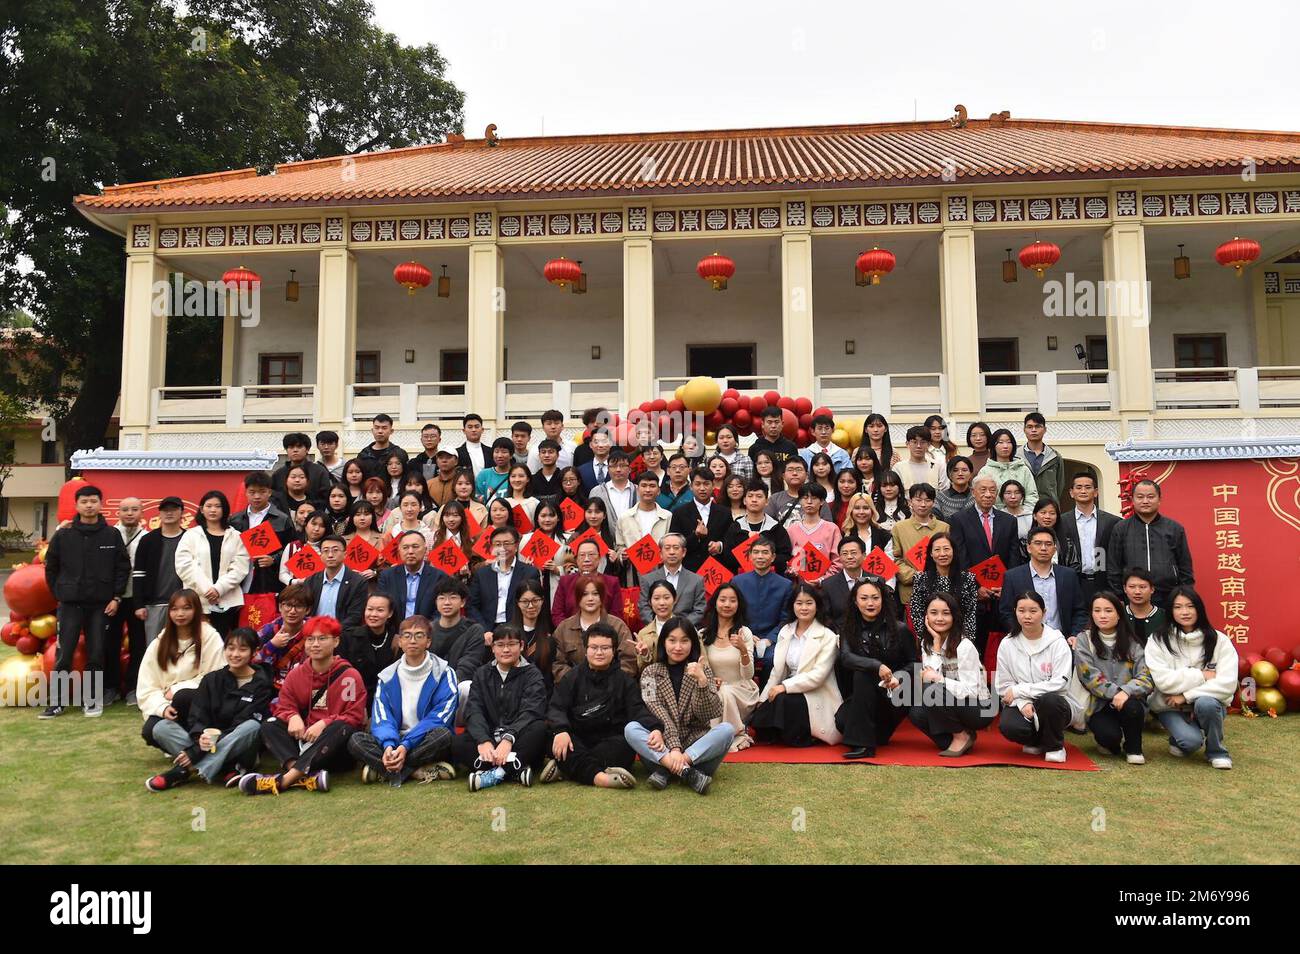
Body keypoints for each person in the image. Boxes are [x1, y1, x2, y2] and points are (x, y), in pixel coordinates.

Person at [240, 616, 367, 794]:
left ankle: (285, 781)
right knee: (269, 725)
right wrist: (292, 716)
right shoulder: (296, 674)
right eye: (310, 639)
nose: (315, 644)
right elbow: (284, 705)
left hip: (335, 750)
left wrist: (324, 723)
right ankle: (304, 776)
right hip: (304, 742)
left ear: (336, 641)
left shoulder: (350, 676)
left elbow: (355, 717)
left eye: (322, 639)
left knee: (341, 726)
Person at [39, 484, 131, 718]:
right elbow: (51, 566)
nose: (89, 505)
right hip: (70, 605)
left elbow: (122, 568)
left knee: (96, 653)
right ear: (77, 505)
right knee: (64, 653)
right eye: (84, 501)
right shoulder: (64, 534)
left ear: (101, 504)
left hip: (100, 606)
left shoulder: (111, 534)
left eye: (93, 501)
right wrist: (59, 593)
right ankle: (57, 702)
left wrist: (116, 597)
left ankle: (91, 699)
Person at [146, 627, 273, 791]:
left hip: (240, 746)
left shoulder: (262, 684)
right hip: (207, 742)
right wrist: (200, 738)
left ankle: (185, 770)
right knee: (160, 728)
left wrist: (196, 752)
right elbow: (198, 715)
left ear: (254, 652)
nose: (235, 654)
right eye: (230, 648)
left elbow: (244, 721)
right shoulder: (212, 679)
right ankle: (225, 767)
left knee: (252, 726)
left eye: (242, 649)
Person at [348, 614, 459, 786]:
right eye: (407, 636)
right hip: (395, 739)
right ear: (400, 642)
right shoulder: (387, 676)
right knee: (355, 740)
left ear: (428, 642)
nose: (412, 640)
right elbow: (381, 718)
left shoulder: (444, 673)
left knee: (443, 736)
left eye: (419, 635)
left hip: (424, 740)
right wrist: (389, 746)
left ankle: (385, 770)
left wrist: (406, 746)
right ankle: (415, 770)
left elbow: (439, 718)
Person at [542, 622, 656, 789]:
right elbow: (556, 707)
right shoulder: (572, 677)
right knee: (555, 739)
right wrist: (561, 730)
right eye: (594, 647)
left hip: (609, 741)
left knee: (625, 747)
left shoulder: (624, 681)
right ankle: (601, 778)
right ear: (586, 650)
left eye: (605, 648)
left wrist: (655, 729)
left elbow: (637, 711)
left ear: (614, 650)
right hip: (577, 737)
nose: (599, 652)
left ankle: (566, 767)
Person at [626, 617, 731, 793]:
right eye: (672, 640)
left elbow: (709, 713)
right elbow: (656, 710)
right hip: (662, 749)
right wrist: (673, 748)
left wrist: (702, 682)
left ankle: (670, 769)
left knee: (727, 729)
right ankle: (686, 773)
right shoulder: (650, 672)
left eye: (684, 641)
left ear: (693, 643)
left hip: (696, 751)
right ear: (663, 642)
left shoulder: (702, 670)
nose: (678, 647)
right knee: (631, 728)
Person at [1145, 586, 1238, 769]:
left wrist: (1186, 696)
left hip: (1207, 704)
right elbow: (1163, 682)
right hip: (1169, 706)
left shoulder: (1220, 640)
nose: (1184, 612)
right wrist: (1202, 675)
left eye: (1190, 606)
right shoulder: (1157, 640)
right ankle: (1180, 737)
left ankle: (1216, 752)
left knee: (1207, 703)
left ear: (1199, 609)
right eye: (1178, 607)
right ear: (1170, 611)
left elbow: (1227, 684)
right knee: (1189, 742)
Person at [136, 589, 227, 774]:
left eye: (186, 608)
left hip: (201, 706)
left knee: (184, 696)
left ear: (196, 610)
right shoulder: (160, 643)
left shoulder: (210, 637)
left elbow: (216, 676)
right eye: (175, 609)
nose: (180, 614)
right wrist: (162, 707)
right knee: (151, 729)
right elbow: (147, 685)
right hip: (171, 706)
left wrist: (178, 688)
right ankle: (207, 758)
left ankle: (191, 757)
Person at [453, 624, 549, 789]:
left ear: (521, 646)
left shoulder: (532, 674)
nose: (506, 650)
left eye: (511, 644)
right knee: (458, 742)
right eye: (500, 645)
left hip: (518, 738)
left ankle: (494, 774)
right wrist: (484, 740)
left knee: (539, 729)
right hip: (491, 737)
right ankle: (515, 770)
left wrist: (508, 738)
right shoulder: (482, 673)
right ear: (492, 648)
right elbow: (474, 709)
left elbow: (532, 711)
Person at [751, 582, 842, 746]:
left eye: (809, 603)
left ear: (817, 605)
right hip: (787, 687)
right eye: (799, 603)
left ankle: (802, 734)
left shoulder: (827, 635)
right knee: (760, 716)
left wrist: (784, 686)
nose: (804, 608)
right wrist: (763, 697)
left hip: (815, 690)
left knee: (784, 700)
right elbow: (777, 671)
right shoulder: (786, 631)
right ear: (792, 606)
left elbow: (818, 676)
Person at [837, 577, 917, 758]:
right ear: (855, 602)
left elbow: (915, 663)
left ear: (883, 600)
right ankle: (867, 739)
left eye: (875, 598)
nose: (870, 603)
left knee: (862, 675)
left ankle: (864, 746)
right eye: (864, 598)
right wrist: (877, 665)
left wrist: (899, 676)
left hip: (892, 696)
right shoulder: (848, 629)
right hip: (862, 697)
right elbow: (846, 658)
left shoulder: (900, 629)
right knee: (841, 722)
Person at [907, 591, 995, 756]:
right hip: (950, 700)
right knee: (916, 713)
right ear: (926, 617)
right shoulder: (928, 642)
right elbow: (929, 676)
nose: (939, 618)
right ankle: (960, 736)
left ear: (954, 616)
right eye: (933, 613)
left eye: (945, 613)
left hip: (978, 706)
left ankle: (960, 735)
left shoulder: (965, 645)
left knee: (933, 689)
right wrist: (936, 643)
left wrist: (940, 679)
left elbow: (971, 690)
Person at [995, 590, 1078, 763]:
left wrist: (1021, 690)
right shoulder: (1007, 643)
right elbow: (1003, 685)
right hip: (1022, 702)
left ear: (1044, 612)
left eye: (1033, 611)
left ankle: (1055, 746)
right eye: (1021, 610)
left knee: (1049, 701)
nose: (1027, 616)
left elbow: (1060, 683)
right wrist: (1023, 701)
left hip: (1057, 703)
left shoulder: (1057, 642)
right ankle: (1034, 740)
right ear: (1015, 612)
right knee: (1008, 725)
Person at [1075, 591, 1153, 764]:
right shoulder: (1084, 640)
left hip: (1130, 701)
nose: (1102, 615)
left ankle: (1134, 749)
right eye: (1097, 610)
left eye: (1108, 611)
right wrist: (1117, 692)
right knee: (1109, 738)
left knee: (1132, 707)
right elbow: (1088, 676)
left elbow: (1146, 676)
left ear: (1119, 614)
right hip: (1098, 705)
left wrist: (1126, 692)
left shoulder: (1133, 642)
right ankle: (1109, 742)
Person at [948, 474, 1021, 655]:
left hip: (1001, 594)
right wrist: (975, 587)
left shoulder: (1009, 520)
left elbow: (1013, 557)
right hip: (973, 596)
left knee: (1003, 646)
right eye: (983, 490)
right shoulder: (959, 520)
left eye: (992, 490)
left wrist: (1006, 586)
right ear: (973, 492)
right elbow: (960, 558)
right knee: (974, 646)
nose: (988, 495)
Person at [1106, 479, 1194, 607]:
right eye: (1140, 497)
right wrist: (1119, 595)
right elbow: (1113, 567)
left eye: (1150, 497)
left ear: (1159, 499)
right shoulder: (1121, 528)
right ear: (1132, 500)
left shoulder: (1174, 528)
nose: (1145, 501)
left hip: (1168, 596)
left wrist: (1185, 595)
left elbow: (1185, 567)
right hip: (1132, 598)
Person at [175, 490, 249, 637]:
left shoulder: (236, 536)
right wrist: (207, 589)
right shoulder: (191, 535)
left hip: (227, 600)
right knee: (197, 643)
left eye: (217, 506)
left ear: (225, 509)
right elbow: (184, 565)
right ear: (202, 509)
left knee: (223, 644)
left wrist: (219, 589)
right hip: (198, 599)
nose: (213, 510)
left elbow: (240, 568)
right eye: (209, 506)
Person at [99, 496, 147, 707]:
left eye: (134, 509)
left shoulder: (147, 537)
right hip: (112, 600)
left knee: (139, 645)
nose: (130, 513)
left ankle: (133, 688)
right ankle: (110, 687)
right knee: (110, 644)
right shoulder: (108, 535)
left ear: (141, 512)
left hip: (137, 599)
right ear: (117, 512)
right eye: (125, 509)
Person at [700, 583, 760, 751]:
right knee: (721, 692)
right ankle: (722, 735)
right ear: (715, 603)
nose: (727, 605)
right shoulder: (703, 634)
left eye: (732, 601)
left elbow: (748, 675)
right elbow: (701, 669)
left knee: (725, 692)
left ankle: (733, 735)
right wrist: (711, 681)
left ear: (738, 605)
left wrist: (742, 649)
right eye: (723, 600)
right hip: (714, 689)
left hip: (742, 690)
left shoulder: (744, 633)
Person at [999, 527, 1088, 637]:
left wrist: (1074, 635)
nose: (1043, 548)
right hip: (1026, 640)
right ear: (1028, 548)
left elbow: (1080, 611)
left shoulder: (1068, 575)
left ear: (1055, 549)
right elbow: (1006, 613)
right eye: (1038, 543)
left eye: (1048, 544)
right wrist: (1020, 634)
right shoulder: (1012, 577)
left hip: (1062, 641)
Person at [229, 471, 295, 619]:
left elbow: (292, 549)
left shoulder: (281, 519)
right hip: (239, 581)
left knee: (264, 623)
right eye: (252, 492)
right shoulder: (235, 520)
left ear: (269, 492)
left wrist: (274, 559)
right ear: (245, 492)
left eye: (262, 492)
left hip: (268, 582)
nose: (257, 496)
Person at [132, 495, 188, 664]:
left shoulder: (190, 538)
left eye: (174, 509)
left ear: (181, 513)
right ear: (159, 514)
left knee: (182, 649)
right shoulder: (148, 540)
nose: (169, 513)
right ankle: (153, 688)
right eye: (165, 510)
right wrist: (138, 604)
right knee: (154, 650)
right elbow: (138, 574)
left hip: (183, 606)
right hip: (154, 605)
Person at [552, 574, 638, 681]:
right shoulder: (564, 628)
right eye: (584, 594)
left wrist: (608, 681)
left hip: (611, 690)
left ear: (602, 597)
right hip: (575, 690)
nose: (590, 599)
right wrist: (578, 681)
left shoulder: (617, 626)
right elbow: (557, 663)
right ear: (577, 598)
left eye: (595, 594)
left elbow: (629, 661)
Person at [732, 536, 794, 673]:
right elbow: (732, 614)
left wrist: (770, 639)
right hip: (743, 635)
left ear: (773, 557)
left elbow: (786, 618)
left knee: (774, 660)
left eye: (765, 552)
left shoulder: (785, 585)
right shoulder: (737, 582)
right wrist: (747, 635)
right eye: (756, 552)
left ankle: (768, 694)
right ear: (750, 556)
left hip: (772, 638)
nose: (760, 556)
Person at [1055, 471, 1120, 600]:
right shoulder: (1061, 522)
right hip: (1072, 582)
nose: (1083, 491)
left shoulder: (1112, 522)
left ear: (1096, 492)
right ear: (1071, 492)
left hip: (1103, 583)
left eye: (1088, 487)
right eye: (1078, 487)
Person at [468, 524, 542, 635]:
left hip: (519, 629)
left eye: (507, 544)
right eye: (497, 544)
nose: (502, 548)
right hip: (488, 630)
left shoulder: (529, 573)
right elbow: (472, 605)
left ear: (516, 545)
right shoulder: (482, 573)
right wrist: (484, 630)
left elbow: (535, 603)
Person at [429, 576, 489, 710]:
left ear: (463, 602)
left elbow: (468, 667)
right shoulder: (428, 630)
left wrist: (443, 690)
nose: (447, 602)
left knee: (466, 687)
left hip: (457, 688)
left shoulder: (473, 630)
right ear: (436, 602)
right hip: (428, 690)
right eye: (442, 598)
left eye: (453, 597)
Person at [909, 532, 979, 642]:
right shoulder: (920, 579)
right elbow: (916, 612)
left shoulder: (968, 579)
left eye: (946, 549)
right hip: (930, 637)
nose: (942, 554)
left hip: (959, 638)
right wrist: (927, 638)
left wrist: (966, 641)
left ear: (954, 551)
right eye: (937, 550)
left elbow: (970, 614)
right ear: (931, 553)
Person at [891, 483, 949, 607]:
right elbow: (895, 559)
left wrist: (936, 575)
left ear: (933, 502)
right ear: (910, 502)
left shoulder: (944, 527)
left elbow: (950, 556)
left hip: (940, 590)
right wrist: (916, 576)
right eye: (918, 500)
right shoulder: (899, 528)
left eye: (927, 500)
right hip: (910, 591)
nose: (923, 504)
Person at [667, 466, 732, 572]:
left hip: (717, 571)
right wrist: (695, 535)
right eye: (697, 484)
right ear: (691, 486)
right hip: (689, 571)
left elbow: (730, 541)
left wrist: (719, 546)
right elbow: (675, 545)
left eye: (706, 484)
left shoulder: (725, 512)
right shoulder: (680, 512)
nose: (702, 488)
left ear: (713, 485)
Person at [378, 530, 451, 624]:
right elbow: (382, 608)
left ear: (425, 550)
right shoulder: (387, 576)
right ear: (399, 551)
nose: (410, 552)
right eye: (405, 547)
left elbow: (441, 611)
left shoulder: (439, 577)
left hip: (428, 631)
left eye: (415, 547)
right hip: (395, 633)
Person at [722, 480, 793, 575]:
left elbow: (785, 556)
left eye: (759, 496)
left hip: (770, 578)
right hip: (742, 579)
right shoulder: (736, 526)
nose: (754, 500)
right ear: (744, 500)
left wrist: (764, 559)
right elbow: (727, 556)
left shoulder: (776, 527)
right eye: (750, 496)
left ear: (767, 501)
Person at [253, 582, 312, 693]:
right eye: (288, 605)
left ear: (307, 610)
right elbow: (248, 660)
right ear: (280, 607)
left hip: (303, 688)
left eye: (298, 606)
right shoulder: (268, 630)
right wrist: (271, 645)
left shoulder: (314, 632)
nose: (292, 611)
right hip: (269, 688)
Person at [635, 533, 706, 624]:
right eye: (667, 548)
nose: (671, 552)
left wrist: (681, 627)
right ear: (660, 553)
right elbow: (644, 608)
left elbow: (699, 610)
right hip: (656, 632)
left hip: (686, 631)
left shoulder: (696, 580)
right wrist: (659, 626)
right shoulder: (648, 579)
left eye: (676, 548)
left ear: (683, 552)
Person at [341, 591, 399, 701]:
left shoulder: (396, 641)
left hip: (386, 700)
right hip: (354, 699)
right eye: (370, 609)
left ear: (390, 613)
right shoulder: (349, 637)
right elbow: (343, 676)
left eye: (380, 610)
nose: (373, 614)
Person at [304, 534, 368, 627]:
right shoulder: (311, 581)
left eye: (335, 550)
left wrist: (332, 633)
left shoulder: (358, 582)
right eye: (325, 551)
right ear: (320, 555)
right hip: (315, 635)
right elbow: (306, 611)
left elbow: (355, 616)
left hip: (344, 635)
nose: (330, 555)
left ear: (345, 554)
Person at [553, 537, 622, 621]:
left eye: (591, 555)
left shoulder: (612, 582)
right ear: (576, 559)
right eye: (582, 555)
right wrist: (569, 631)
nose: (586, 559)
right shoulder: (565, 582)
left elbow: (616, 616)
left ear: (599, 558)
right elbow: (557, 614)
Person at [786, 483, 841, 583]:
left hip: (825, 587)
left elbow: (838, 561)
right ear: (800, 501)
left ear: (822, 502)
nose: (809, 502)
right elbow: (788, 558)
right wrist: (791, 570)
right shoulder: (791, 529)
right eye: (805, 498)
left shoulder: (832, 529)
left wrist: (821, 580)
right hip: (798, 587)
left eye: (814, 498)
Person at [977, 428, 1038, 512]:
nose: (1005, 446)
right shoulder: (985, 471)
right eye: (1000, 442)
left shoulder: (1023, 469)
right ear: (993, 446)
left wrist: (1023, 513)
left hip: (1021, 517)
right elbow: (982, 497)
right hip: (995, 518)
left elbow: (1032, 496)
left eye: (1009, 442)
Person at [766, 457, 832, 529]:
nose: (794, 473)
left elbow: (827, 527)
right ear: (783, 476)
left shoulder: (818, 498)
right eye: (790, 470)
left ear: (807, 475)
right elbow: (767, 525)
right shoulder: (775, 499)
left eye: (799, 470)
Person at [617, 470, 673, 554]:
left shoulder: (667, 517)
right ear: (637, 489)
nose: (648, 490)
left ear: (658, 491)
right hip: (632, 565)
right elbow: (619, 546)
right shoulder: (625, 517)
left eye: (652, 486)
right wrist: (622, 554)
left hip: (660, 565)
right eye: (644, 486)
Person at [271, 432, 333, 503]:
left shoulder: (319, 471)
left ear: (307, 449)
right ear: (286, 450)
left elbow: (325, 497)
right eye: (291, 447)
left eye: (299, 447)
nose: (295, 450)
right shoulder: (278, 474)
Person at [1021, 412, 1066, 507]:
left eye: (1038, 426)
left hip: (1049, 508)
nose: (1033, 430)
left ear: (1045, 430)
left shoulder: (1055, 457)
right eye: (1029, 427)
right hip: (1023, 508)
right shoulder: (1016, 457)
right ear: (1024, 430)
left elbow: (1060, 486)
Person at [636, 579, 679, 671]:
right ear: (650, 602)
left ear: (675, 599)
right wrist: (645, 655)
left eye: (666, 598)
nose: (662, 603)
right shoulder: (643, 634)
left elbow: (702, 661)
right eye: (656, 598)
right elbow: (640, 669)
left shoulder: (686, 627)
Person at [278, 510, 329, 587]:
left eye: (322, 526)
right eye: (313, 524)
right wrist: (297, 581)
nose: (316, 529)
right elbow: (283, 574)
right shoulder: (293, 546)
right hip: (296, 592)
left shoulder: (328, 549)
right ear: (305, 525)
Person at [895, 425, 950, 495]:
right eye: (914, 442)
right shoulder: (899, 468)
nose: (918, 446)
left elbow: (944, 492)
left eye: (922, 442)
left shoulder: (939, 466)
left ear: (928, 444)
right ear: (907, 444)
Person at [1121, 568, 1167, 644]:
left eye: (1142, 587)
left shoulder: (1164, 616)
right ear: (1125, 588)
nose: (1137, 592)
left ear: (1152, 589)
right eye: (1132, 587)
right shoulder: (1119, 615)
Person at [357, 413, 409, 478]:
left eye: (384, 428)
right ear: (372, 431)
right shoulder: (363, 455)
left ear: (391, 431)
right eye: (377, 428)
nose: (380, 431)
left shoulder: (399, 453)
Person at [748, 404, 798, 470]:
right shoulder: (755, 449)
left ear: (782, 424)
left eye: (776, 422)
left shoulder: (791, 447)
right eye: (769, 422)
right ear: (763, 424)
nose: (773, 426)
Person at [475, 437, 515, 503]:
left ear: (511, 455)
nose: (499, 455)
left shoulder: (516, 475)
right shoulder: (483, 475)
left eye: (504, 452)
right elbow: (477, 497)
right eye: (496, 451)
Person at [936, 455, 975, 522]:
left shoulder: (977, 496)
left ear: (971, 474)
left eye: (964, 470)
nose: (960, 473)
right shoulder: (940, 497)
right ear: (949, 474)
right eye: (955, 470)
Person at [1000, 479, 1033, 546]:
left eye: (1017, 493)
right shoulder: (998, 517)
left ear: (1022, 496)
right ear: (1002, 496)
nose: (1013, 497)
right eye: (1008, 493)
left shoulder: (1030, 516)